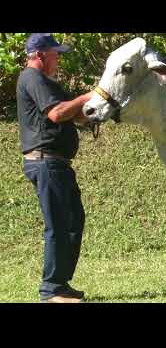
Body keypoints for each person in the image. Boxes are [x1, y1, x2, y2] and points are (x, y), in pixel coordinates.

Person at [16, 33, 93, 303]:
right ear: (40, 55)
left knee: (73, 221)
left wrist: (93, 110)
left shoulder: (48, 83)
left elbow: (72, 114)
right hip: (45, 162)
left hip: (57, 164)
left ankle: (61, 284)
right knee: (58, 226)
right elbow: (57, 114)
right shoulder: (32, 78)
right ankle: (51, 291)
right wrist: (87, 96)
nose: (58, 57)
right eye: (55, 53)